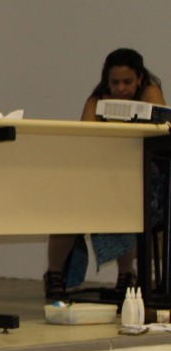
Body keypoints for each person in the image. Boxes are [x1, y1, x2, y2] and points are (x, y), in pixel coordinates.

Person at [44, 47, 166, 300]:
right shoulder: (96, 101)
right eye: (115, 82)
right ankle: (55, 273)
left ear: (140, 78)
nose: (120, 88)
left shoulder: (150, 93)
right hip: (103, 174)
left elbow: (162, 133)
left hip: (143, 177)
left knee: (131, 202)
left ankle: (126, 274)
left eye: (127, 82)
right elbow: (86, 140)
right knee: (66, 205)